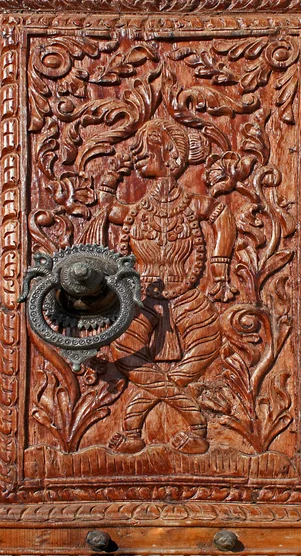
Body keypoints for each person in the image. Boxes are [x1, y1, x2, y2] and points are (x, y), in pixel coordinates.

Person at [98, 119, 236, 454]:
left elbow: (222, 215)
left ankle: (132, 428)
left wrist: (219, 267)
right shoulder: (140, 208)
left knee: (205, 350)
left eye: (147, 150)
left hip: (187, 295)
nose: (140, 156)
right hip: (142, 296)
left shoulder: (191, 204)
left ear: (171, 155)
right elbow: (107, 210)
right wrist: (112, 173)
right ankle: (195, 422)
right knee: (123, 352)